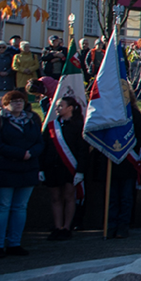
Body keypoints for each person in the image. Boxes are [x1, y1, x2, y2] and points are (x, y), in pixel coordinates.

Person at [0, 90, 45, 258]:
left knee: (20, 207)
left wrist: (31, 152)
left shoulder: (32, 120)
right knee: (2, 207)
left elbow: (40, 141)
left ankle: (14, 243)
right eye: (14, 101)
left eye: (21, 101)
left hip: (27, 170)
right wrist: (20, 154)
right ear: (5, 104)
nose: (18, 103)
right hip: (3, 170)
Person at [41, 95, 87, 241]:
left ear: (70, 108)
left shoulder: (78, 126)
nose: (57, 108)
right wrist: (41, 168)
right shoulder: (51, 126)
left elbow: (82, 151)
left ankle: (67, 227)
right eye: (57, 106)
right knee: (55, 198)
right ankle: (57, 226)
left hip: (70, 167)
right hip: (52, 167)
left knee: (68, 197)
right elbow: (44, 147)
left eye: (61, 106)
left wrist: (80, 170)